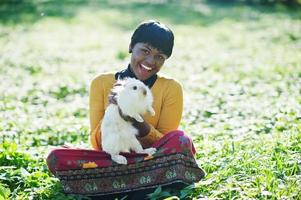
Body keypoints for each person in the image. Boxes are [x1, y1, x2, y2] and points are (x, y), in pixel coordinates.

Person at [47, 20, 204, 199]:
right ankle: (150, 184)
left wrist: (137, 122)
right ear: (131, 46)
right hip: (113, 159)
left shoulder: (171, 87)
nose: (151, 61)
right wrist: (114, 112)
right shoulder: (102, 83)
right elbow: (98, 143)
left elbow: (166, 141)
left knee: (181, 140)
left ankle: (107, 186)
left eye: (160, 56)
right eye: (145, 51)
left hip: (151, 159)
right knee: (57, 156)